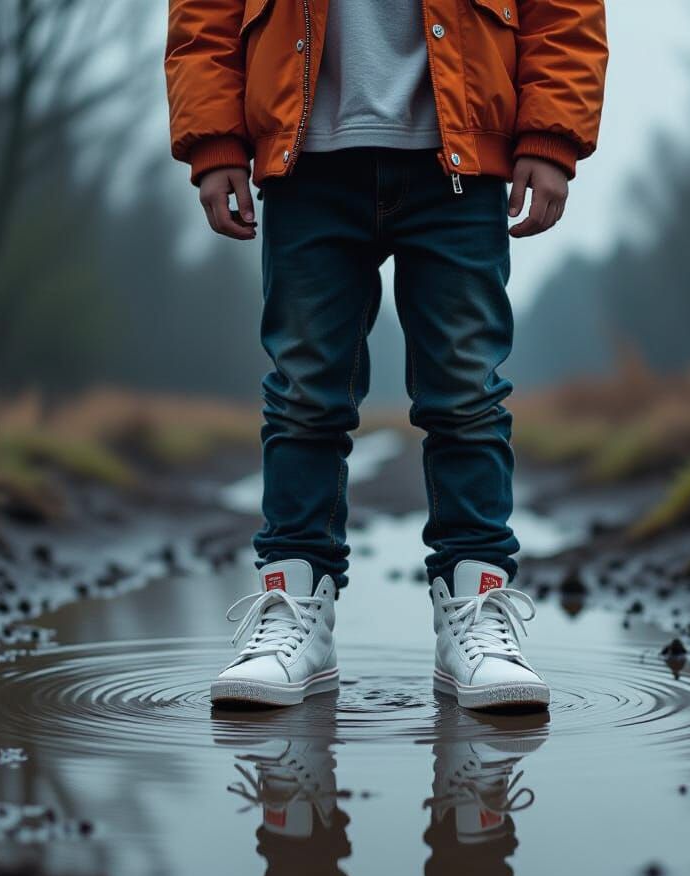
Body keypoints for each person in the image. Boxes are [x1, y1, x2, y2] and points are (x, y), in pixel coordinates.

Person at [165, 0, 608, 712]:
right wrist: (215, 139)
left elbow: (565, 9)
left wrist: (551, 132)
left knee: (466, 394)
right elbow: (202, 12)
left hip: (462, 150)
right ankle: (295, 616)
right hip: (304, 153)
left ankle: (476, 616)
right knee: (303, 395)